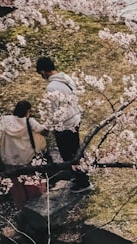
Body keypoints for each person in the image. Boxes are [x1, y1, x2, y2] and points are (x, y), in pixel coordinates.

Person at [35, 56, 91, 193]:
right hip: (75, 119)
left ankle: (83, 182)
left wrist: (47, 128)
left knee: (69, 156)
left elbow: (55, 113)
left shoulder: (51, 87)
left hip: (64, 126)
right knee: (76, 152)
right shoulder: (66, 78)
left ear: (43, 72)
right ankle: (81, 176)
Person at [0, 100, 49, 207]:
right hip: (27, 157)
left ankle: (22, 206)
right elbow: (43, 131)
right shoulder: (30, 121)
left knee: (16, 185)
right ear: (27, 111)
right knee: (32, 181)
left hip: (9, 158)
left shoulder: (6, 121)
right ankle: (37, 205)